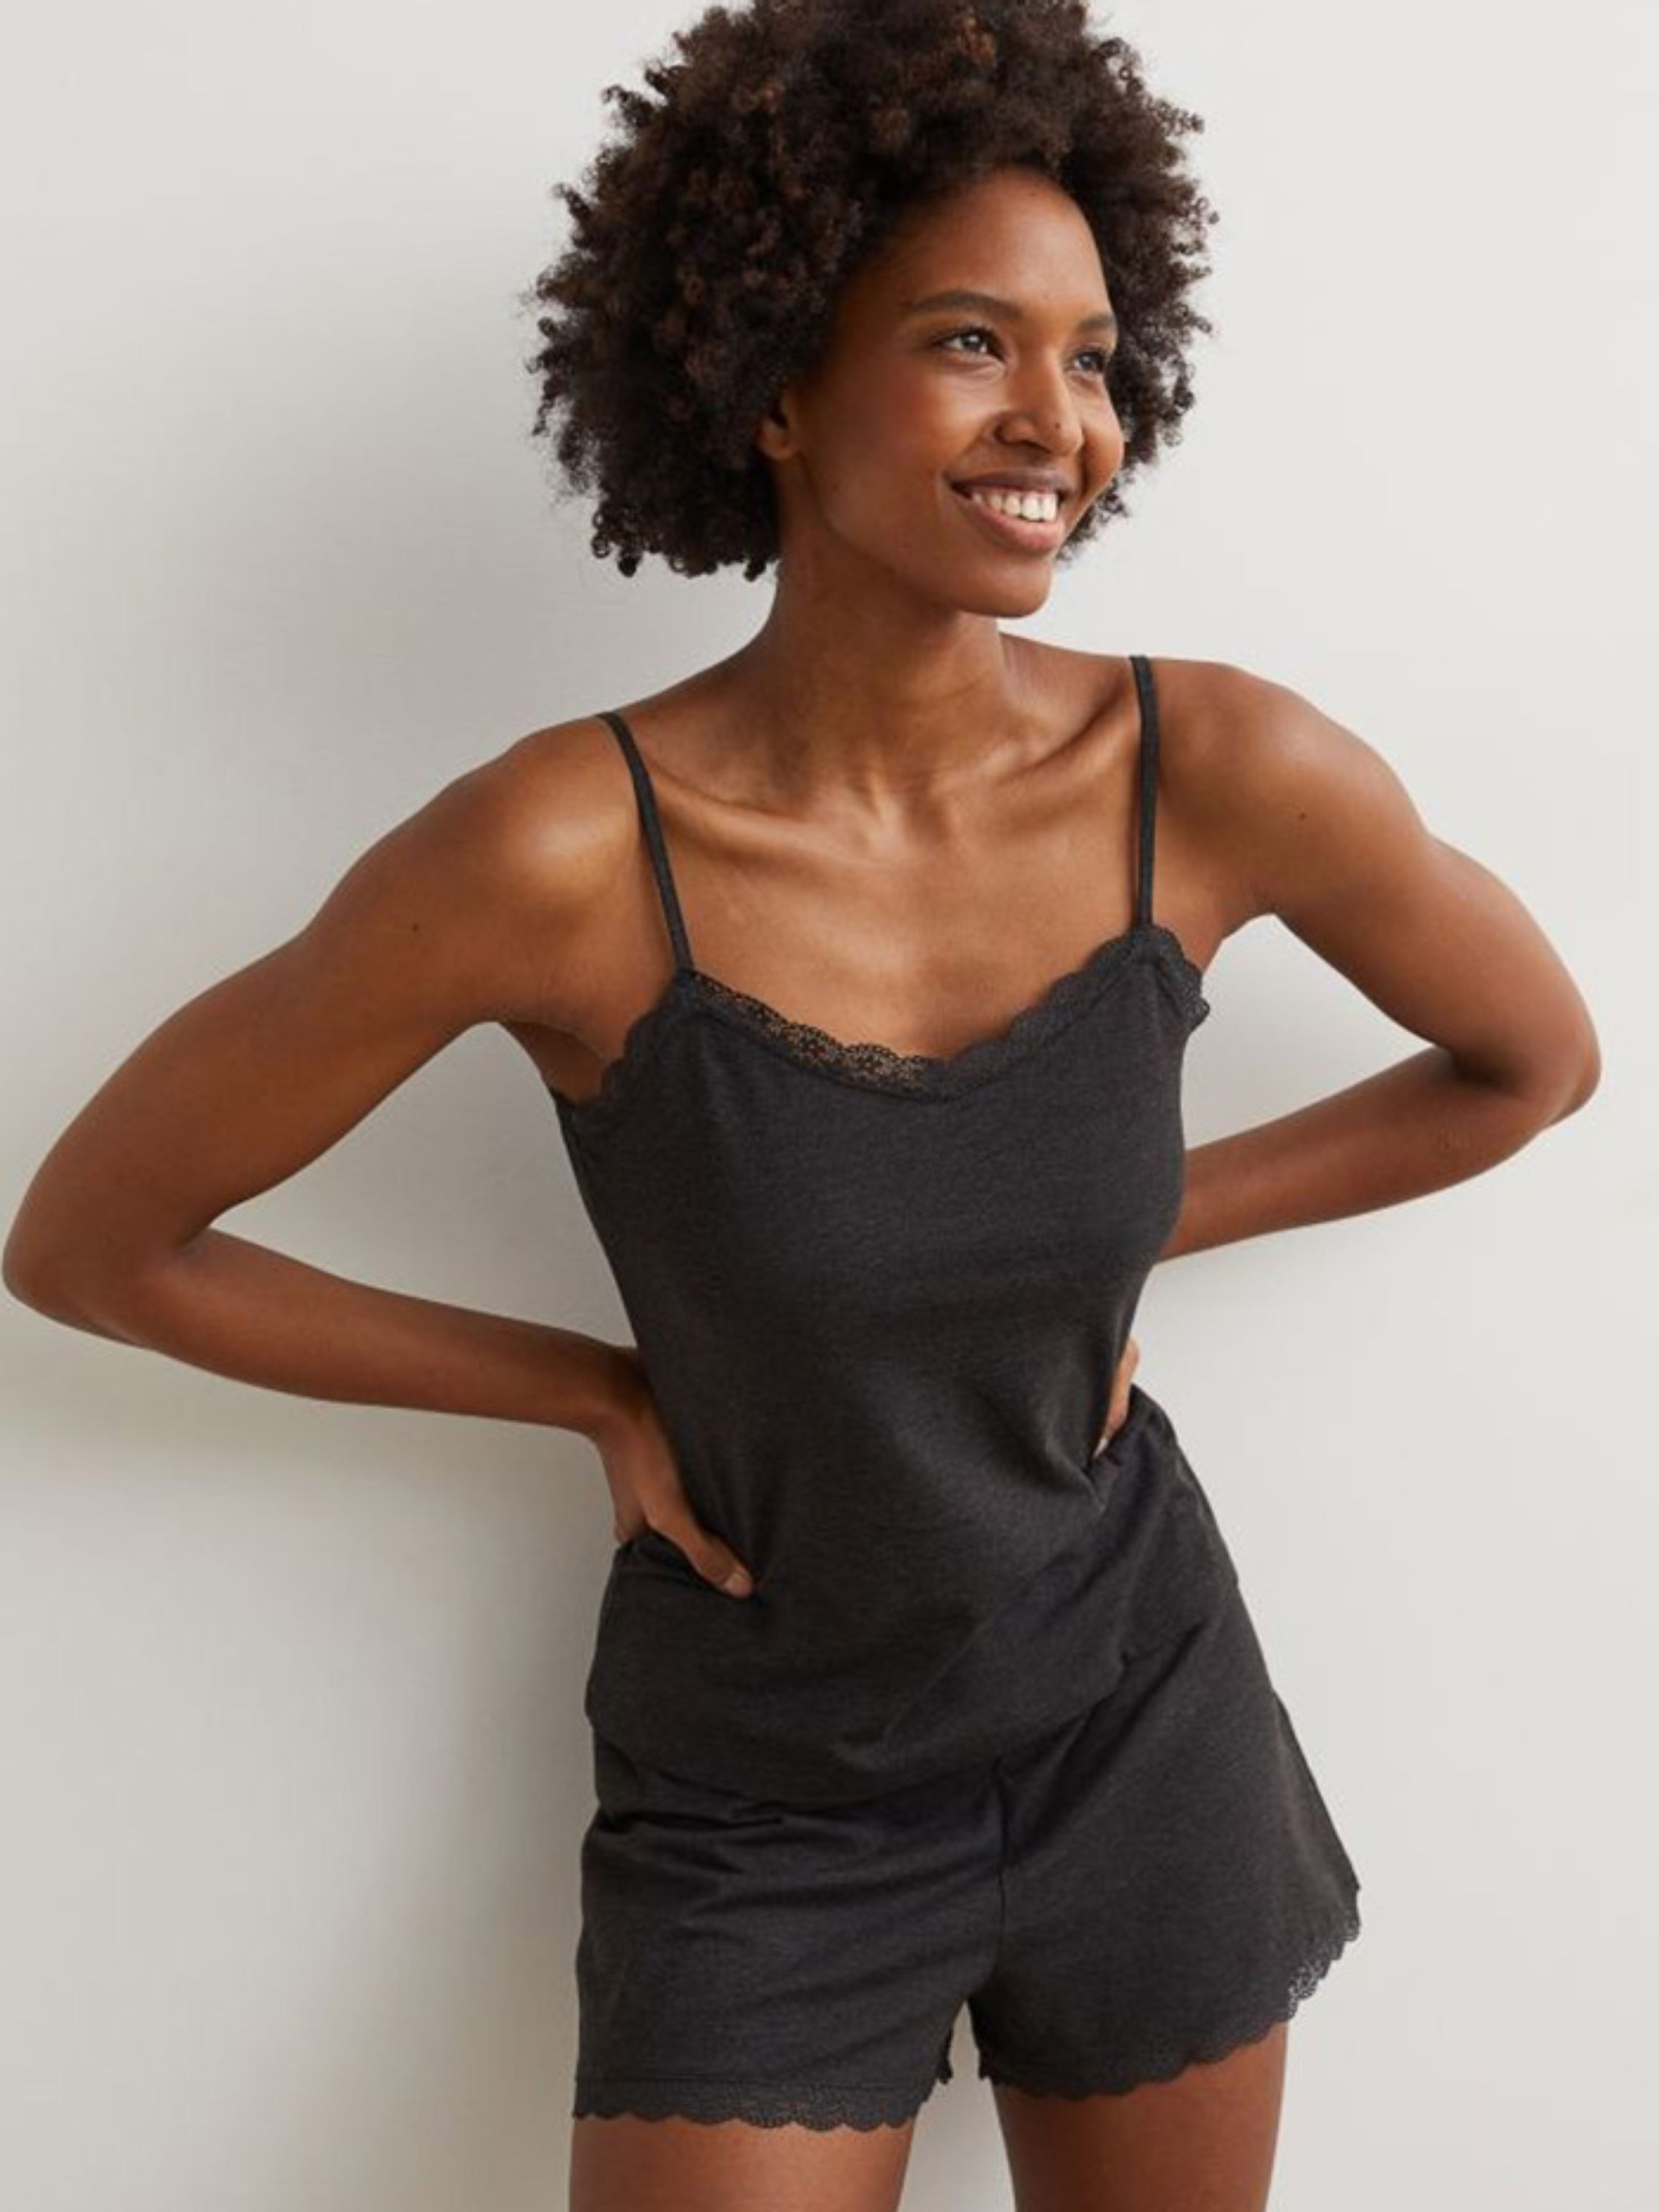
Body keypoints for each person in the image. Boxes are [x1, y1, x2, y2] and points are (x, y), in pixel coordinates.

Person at [5, 2, 1601, 2208]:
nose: (1058, 419)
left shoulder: (1222, 771)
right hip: (766, 1788)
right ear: (769, 385)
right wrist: (591, 1388)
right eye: (969, 342)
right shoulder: (559, 854)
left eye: (1093, 356)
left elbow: (1531, 1063)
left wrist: (1122, 1224)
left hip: (1137, 1710)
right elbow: (95, 1242)